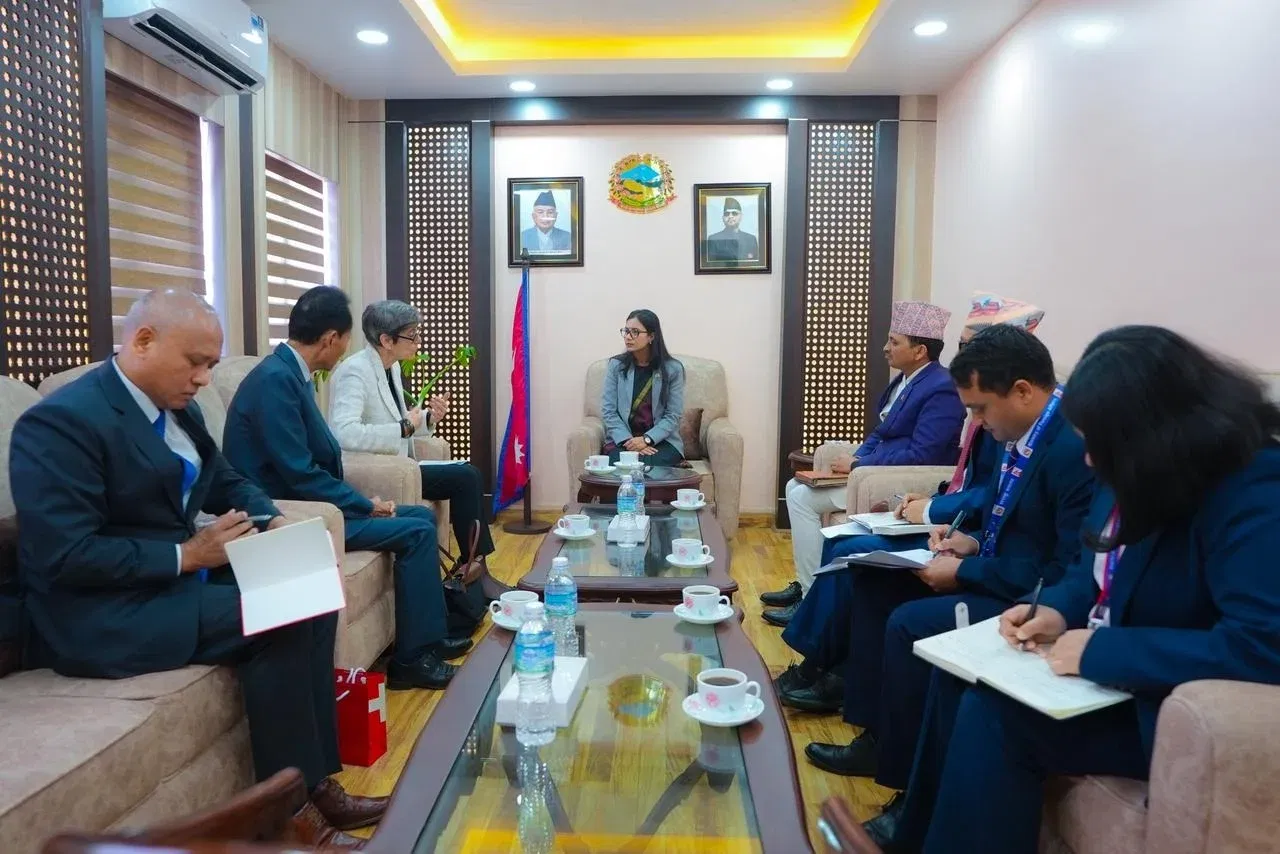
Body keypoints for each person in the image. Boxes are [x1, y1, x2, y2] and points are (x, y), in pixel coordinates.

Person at [879, 326, 1280, 854]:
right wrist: (1052, 610)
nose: (1089, 460)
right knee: (960, 681)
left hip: (1165, 699)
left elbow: (1260, 646)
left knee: (995, 718)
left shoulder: (1253, 490)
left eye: (1097, 441)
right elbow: (1091, 570)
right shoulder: (1134, 465)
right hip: (1100, 669)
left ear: (1154, 428)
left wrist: (1100, 651)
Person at [9, 289, 378, 848]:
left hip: (171, 584)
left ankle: (316, 784)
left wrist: (273, 519)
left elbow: (225, 478)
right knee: (280, 617)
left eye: (211, 364)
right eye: (195, 363)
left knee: (311, 591)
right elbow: (64, 555)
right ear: (143, 341)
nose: (205, 379)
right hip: (99, 613)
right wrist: (187, 555)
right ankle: (289, 818)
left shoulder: (179, 409)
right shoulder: (61, 424)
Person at [802, 325, 1094, 812]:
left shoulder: (1071, 451)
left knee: (909, 622)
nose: (975, 422)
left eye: (979, 409)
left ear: (1022, 391)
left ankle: (904, 786)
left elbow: (1059, 569)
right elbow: (1008, 515)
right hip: (995, 566)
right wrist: (969, 541)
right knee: (875, 579)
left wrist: (965, 573)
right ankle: (874, 734)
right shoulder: (1017, 430)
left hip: (1027, 597)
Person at [773, 294, 1045, 700]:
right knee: (843, 540)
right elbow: (966, 476)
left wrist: (940, 514)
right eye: (963, 345)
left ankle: (823, 664)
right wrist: (931, 496)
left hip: (972, 543)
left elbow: (939, 460)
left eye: (971, 346)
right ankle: (822, 659)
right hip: (957, 526)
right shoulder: (954, 396)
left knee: (856, 552)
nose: (962, 356)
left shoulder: (1000, 415)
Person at [223, 286, 466, 692]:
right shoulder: (275, 382)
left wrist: (358, 502)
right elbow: (300, 473)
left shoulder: (290, 375)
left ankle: (429, 638)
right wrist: (363, 504)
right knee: (416, 529)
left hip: (322, 505)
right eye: (346, 340)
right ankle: (410, 661)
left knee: (420, 517)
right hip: (298, 518)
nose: (346, 351)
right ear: (330, 338)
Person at [762, 300, 967, 626]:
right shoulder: (905, 380)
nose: (885, 348)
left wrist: (860, 465)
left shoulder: (942, 387)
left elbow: (923, 454)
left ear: (920, 351)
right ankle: (806, 586)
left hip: (901, 481)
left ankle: (810, 596)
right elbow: (881, 433)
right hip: (876, 470)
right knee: (794, 488)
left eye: (894, 342)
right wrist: (859, 457)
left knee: (800, 498)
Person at [327, 300, 493, 575]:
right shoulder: (354, 372)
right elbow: (345, 433)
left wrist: (428, 418)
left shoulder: (390, 366)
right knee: (465, 478)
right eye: (412, 335)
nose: (418, 342)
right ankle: (474, 569)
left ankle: (474, 566)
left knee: (469, 475)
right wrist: (404, 427)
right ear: (386, 340)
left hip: (401, 463)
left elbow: (401, 422)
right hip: (378, 471)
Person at [601, 309, 686, 467]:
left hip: (660, 441)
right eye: (626, 331)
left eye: (635, 332)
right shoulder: (616, 366)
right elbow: (608, 411)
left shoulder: (673, 369)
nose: (628, 337)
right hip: (623, 440)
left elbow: (673, 415)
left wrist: (647, 439)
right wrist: (629, 442)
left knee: (650, 465)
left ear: (651, 336)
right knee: (624, 463)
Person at [705, 197, 760, 263]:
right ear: (723, 218)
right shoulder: (713, 239)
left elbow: (756, 265)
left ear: (741, 216)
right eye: (727, 214)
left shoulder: (751, 239)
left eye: (734, 213)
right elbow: (711, 265)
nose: (730, 216)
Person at [520, 190, 571, 255]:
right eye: (540, 212)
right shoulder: (522, 237)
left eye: (550, 212)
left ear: (556, 215)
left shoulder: (567, 237)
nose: (545, 216)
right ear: (533, 216)